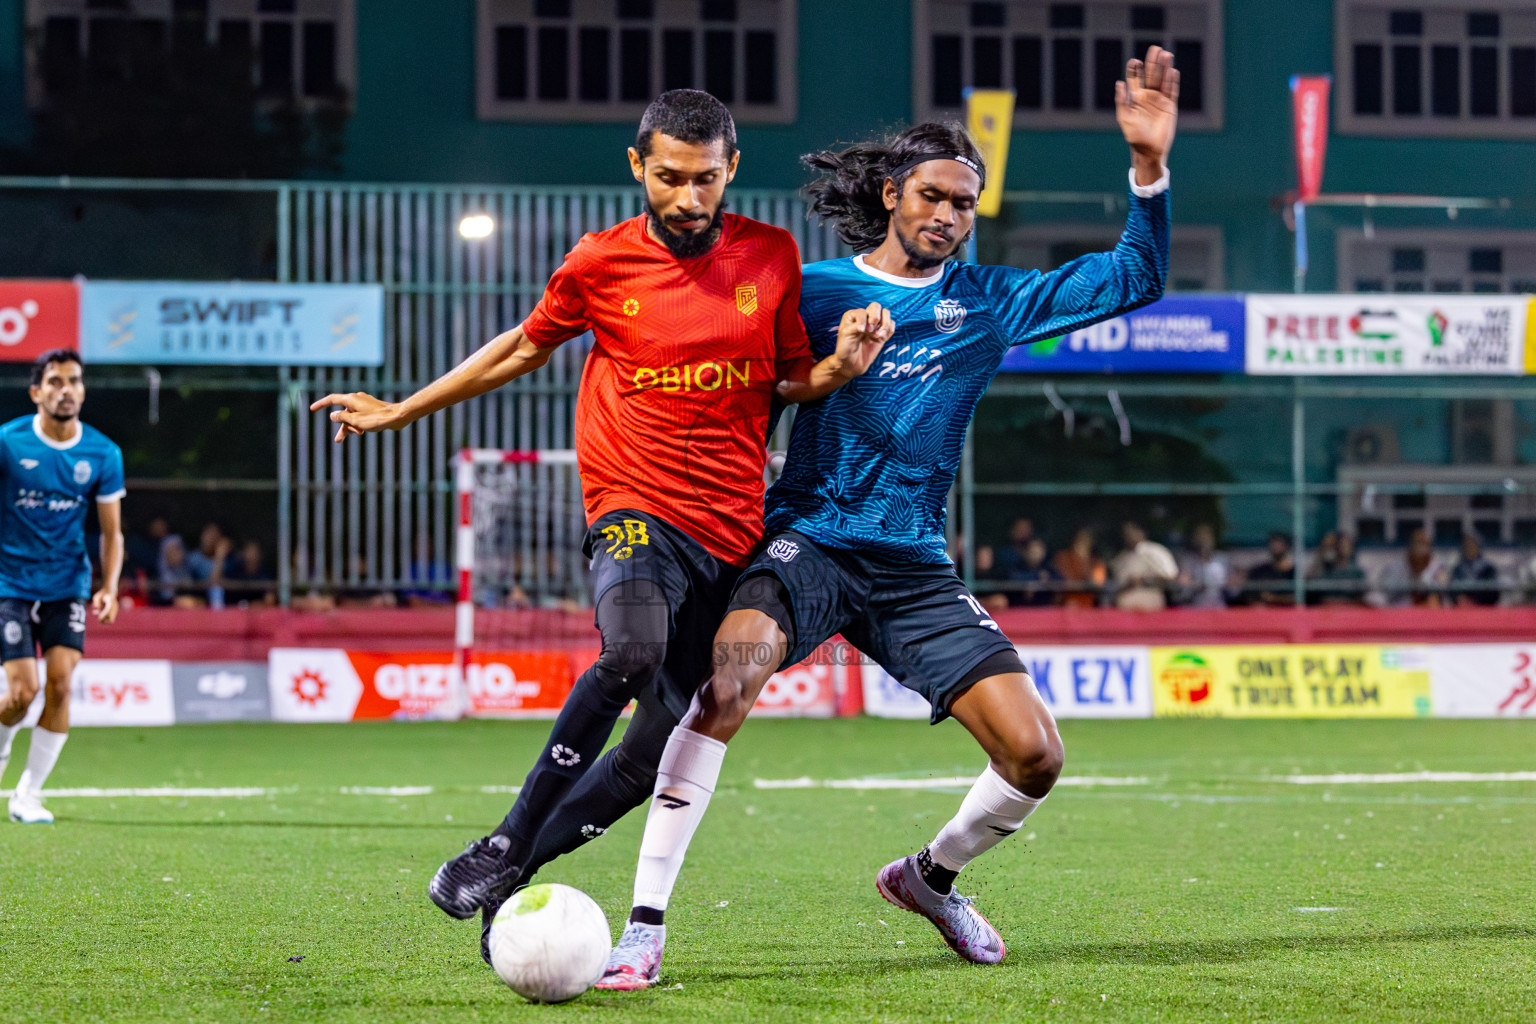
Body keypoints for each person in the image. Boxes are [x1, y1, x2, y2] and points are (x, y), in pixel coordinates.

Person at [599, 48, 1177, 989]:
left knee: (1035, 755)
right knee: (728, 683)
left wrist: (1148, 172)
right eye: (933, 196)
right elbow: (746, 388)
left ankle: (930, 878)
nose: (948, 216)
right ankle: (645, 927)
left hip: (911, 564)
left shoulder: (987, 304)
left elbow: (1133, 280)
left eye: (965, 202)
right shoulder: (815, 291)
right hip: (808, 542)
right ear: (891, 193)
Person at [309, 90, 892, 963]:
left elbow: (785, 381)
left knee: (652, 753)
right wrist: (402, 411)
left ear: (732, 168)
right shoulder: (600, 262)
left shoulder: (770, 257)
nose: (689, 199)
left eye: (705, 179)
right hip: (631, 506)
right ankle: (505, 839)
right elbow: (519, 347)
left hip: (730, 530)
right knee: (629, 652)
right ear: (637, 168)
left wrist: (841, 369)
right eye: (669, 178)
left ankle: (512, 883)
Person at [0, 349, 124, 824]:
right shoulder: (9, 442)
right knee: (20, 692)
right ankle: (5, 742)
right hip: (10, 582)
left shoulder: (102, 452)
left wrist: (109, 586)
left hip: (67, 582)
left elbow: (112, 533)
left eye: (74, 381)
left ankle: (27, 796)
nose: (66, 389)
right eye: (55, 381)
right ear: (37, 392)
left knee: (60, 684)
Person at [1110, 520, 1179, 611]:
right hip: (1126, 601)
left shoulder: (1157, 551)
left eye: (1132, 531)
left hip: (1152, 596)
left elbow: (1171, 575)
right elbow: (1116, 585)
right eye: (1126, 533)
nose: (1129, 535)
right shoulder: (1121, 558)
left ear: (1142, 532)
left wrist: (1144, 579)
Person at [1378, 527, 1443, 608]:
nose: (1421, 549)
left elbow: (1442, 596)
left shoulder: (1437, 567)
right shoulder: (1394, 567)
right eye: (1417, 544)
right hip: (1399, 612)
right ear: (1410, 546)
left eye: (1424, 545)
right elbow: (1383, 596)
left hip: (1426, 614)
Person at [1306, 530, 1366, 606]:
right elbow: (1311, 588)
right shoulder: (1327, 571)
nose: (1344, 548)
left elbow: (1361, 595)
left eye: (1347, 545)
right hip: (1326, 609)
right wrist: (1323, 548)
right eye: (1340, 545)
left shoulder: (1357, 573)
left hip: (1350, 609)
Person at [1176, 523, 1229, 608]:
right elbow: (1183, 583)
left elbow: (1232, 585)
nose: (1203, 538)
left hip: (1218, 607)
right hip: (1193, 608)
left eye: (1207, 534)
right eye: (1200, 535)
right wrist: (1196, 585)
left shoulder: (1222, 558)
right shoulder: (1188, 559)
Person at [1053, 527, 1106, 608]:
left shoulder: (1096, 562)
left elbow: (1098, 583)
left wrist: (1085, 562)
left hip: (1089, 603)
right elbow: (1063, 581)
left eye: (1086, 540)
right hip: (1067, 601)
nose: (1082, 543)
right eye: (1080, 540)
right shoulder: (1062, 557)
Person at [1239, 532, 1297, 607]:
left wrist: (1273, 598)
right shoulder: (1259, 570)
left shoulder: (1294, 573)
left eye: (1279, 544)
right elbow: (1247, 594)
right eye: (1274, 544)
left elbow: (1298, 597)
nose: (1276, 547)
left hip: (1285, 613)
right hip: (1260, 614)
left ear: (1287, 546)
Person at [1448, 531, 1500, 607]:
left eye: (1472, 544)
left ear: (1478, 546)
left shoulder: (1488, 568)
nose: (1469, 548)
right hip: (1462, 608)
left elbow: (1493, 591)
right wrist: (1460, 598)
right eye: (1467, 545)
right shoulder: (1458, 568)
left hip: (1483, 608)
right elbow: (1452, 588)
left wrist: (1475, 600)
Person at [1009, 536, 1061, 607]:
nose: (1036, 554)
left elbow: (1061, 581)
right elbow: (1012, 579)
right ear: (1026, 552)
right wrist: (1036, 578)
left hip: (1044, 607)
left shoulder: (1048, 568)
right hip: (1020, 607)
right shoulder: (1017, 565)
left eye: (1038, 551)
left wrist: (1047, 580)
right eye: (1033, 551)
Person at [223, 540, 275, 607]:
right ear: (244, 553)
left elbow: (270, 599)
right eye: (249, 552)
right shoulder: (235, 571)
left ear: (260, 555)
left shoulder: (264, 574)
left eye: (255, 552)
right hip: (234, 611)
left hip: (257, 612)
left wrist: (259, 604)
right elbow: (218, 584)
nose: (252, 556)